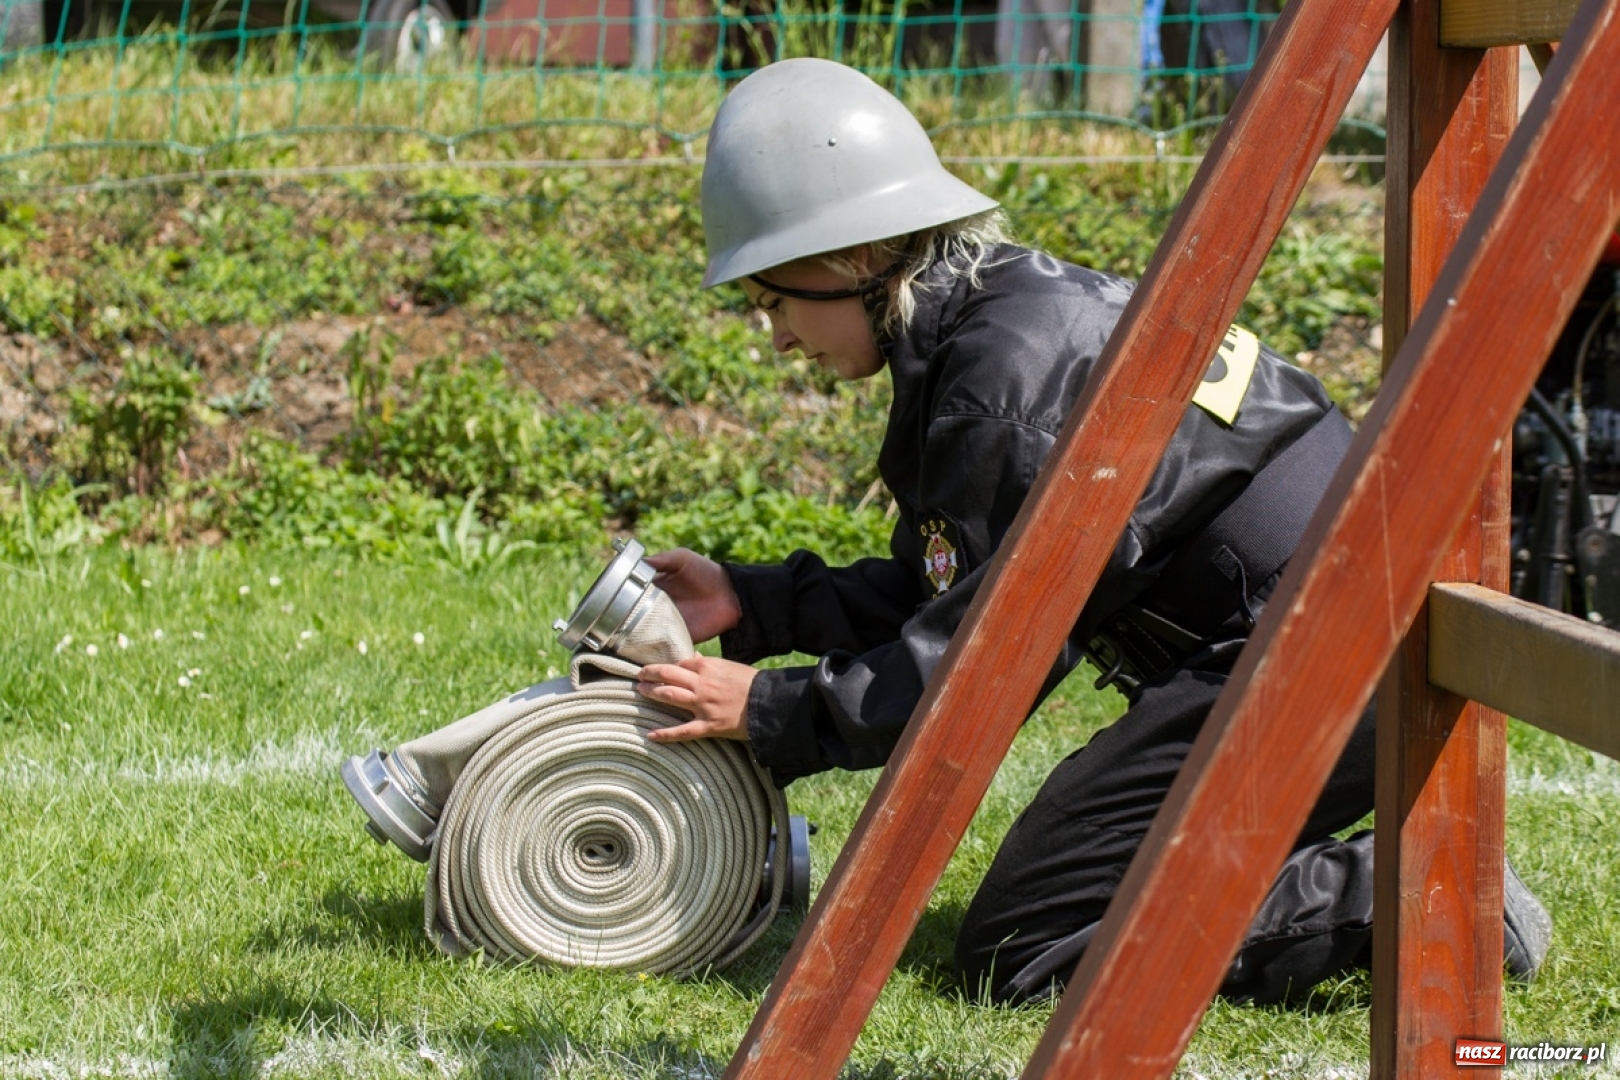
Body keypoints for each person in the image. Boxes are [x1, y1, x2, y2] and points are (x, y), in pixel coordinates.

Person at [632, 56, 1551, 1006]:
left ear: (855, 258)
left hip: (1327, 642)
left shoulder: (1000, 389)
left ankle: (1419, 895)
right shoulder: (997, 328)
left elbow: (991, 662)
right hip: (1323, 622)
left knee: (1027, 939)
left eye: (774, 300)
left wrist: (782, 712)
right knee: (1043, 909)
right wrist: (753, 602)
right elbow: (952, 589)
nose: (776, 336)